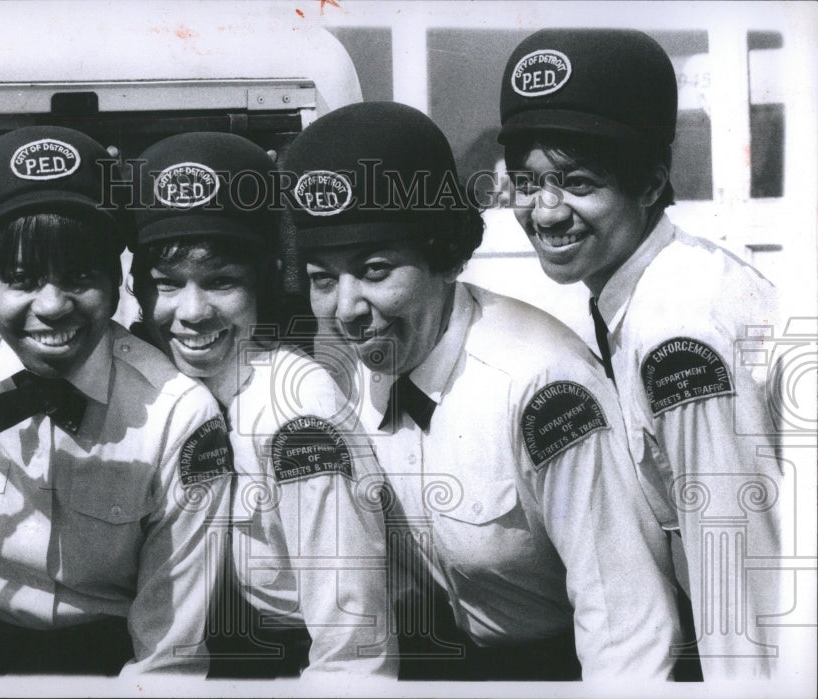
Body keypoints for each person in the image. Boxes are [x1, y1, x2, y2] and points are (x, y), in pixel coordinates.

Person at [283, 100, 682, 680]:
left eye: (375, 271)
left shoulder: (544, 387)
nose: (346, 309)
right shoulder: (351, 380)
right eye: (324, 280)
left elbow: (627, 625)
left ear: (444, 256)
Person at [0, 126, 233, 675]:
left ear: (116, 278)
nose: (53, 305)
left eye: (80, 275)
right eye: (21, 277)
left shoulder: (180, 414)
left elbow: (170, 653)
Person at [498, 28, 782, 680]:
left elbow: (742, 585)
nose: (544, 211)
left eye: (577, 182)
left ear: (651, 183)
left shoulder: (676, 335)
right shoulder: (660, 287)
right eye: (526, 181)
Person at [127, 132, 397, 676]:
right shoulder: (158, 392)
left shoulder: (297, 417)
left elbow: (352, 647)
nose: (192, 312)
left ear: (265, 287)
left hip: (287, 661)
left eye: (222, 282)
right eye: (167, 284)